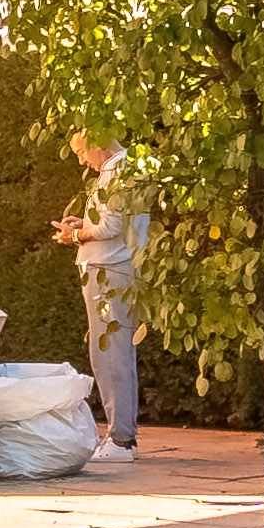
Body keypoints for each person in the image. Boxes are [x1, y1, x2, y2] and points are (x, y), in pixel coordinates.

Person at [55, 136, 150, 456]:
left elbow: (109, 227)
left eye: (82, 153)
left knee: (110, 353)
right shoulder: (126, 168)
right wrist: (84, 223)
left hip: (109, 270)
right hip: (116, 268)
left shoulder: (115, 172)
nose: (83, 161)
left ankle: (121, 438)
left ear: (99, 145)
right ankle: (121, 433)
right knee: (115, 352)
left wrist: (74, 235)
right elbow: (116, 223)